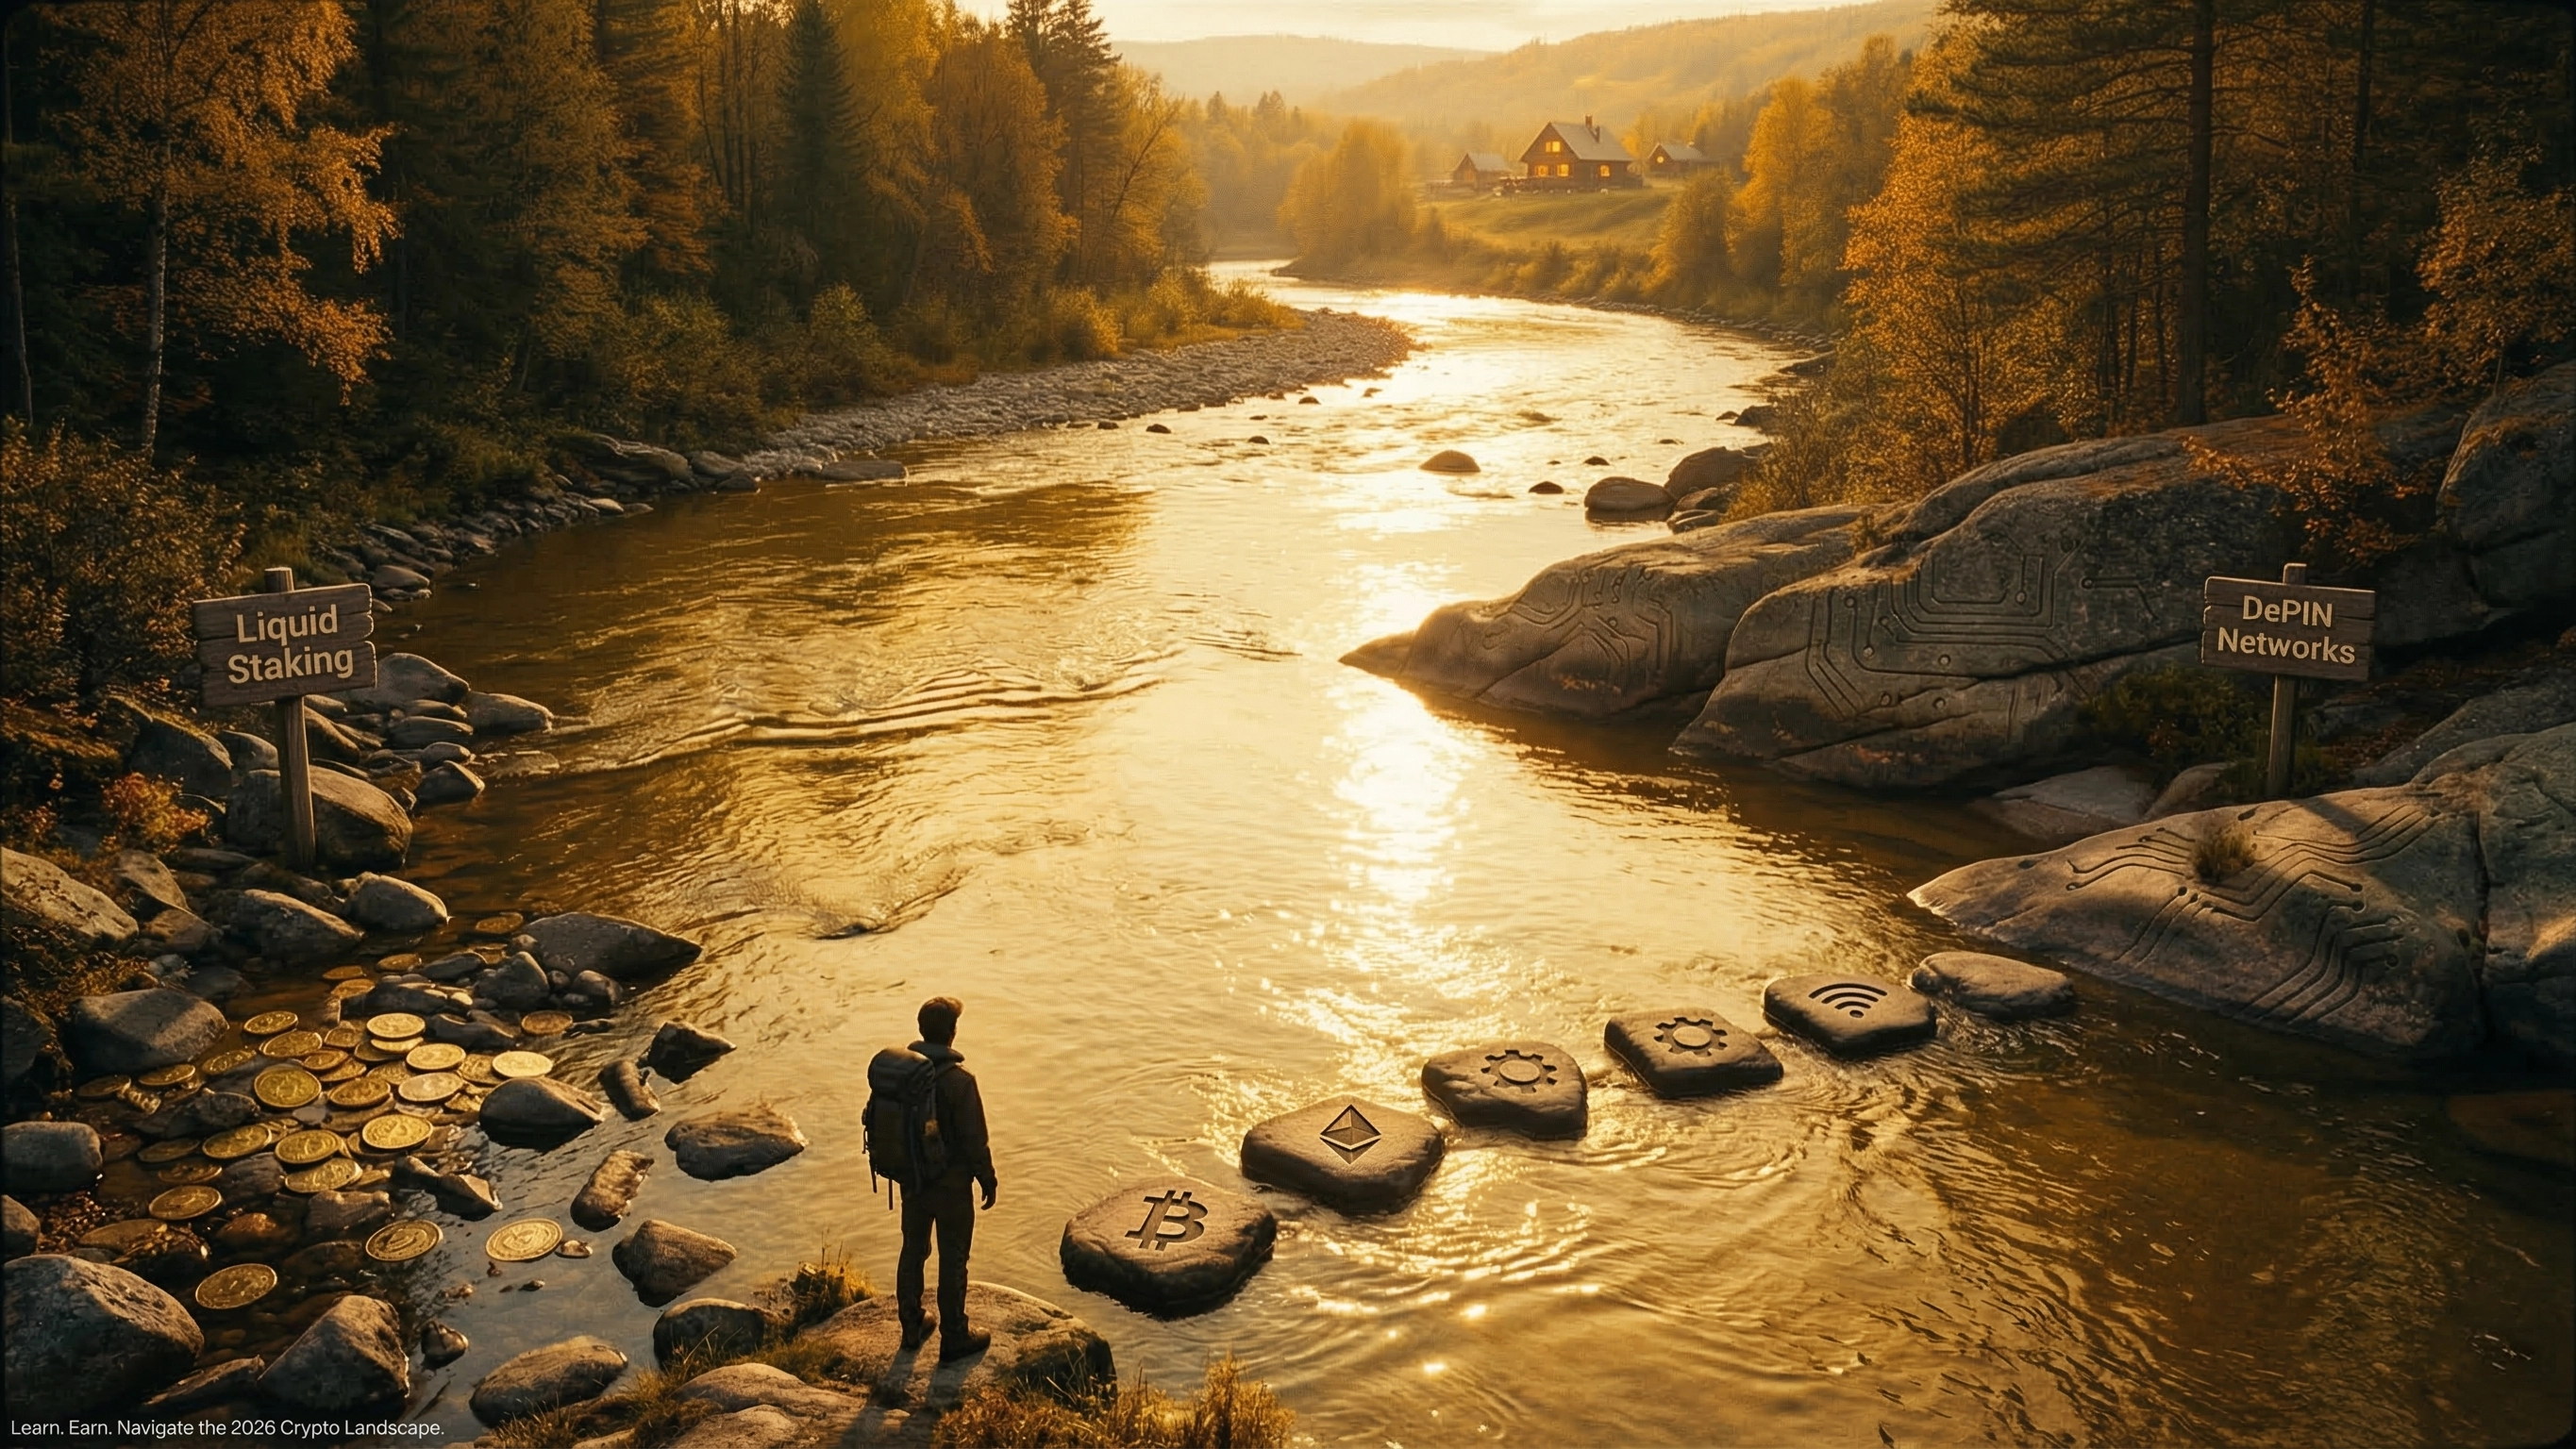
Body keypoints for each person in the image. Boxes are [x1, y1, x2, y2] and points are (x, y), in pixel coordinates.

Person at [895, 995, 997, 1359]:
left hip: (913, 1183)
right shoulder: (960, 1081)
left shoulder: (904, 1075)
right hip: (952, 1187)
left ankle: (911, 1326)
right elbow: (975, 1140)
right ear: (952, 1033)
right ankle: (955, 1336)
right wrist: (988, 1178)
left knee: (913, 1250)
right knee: (953, 1259)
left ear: (922, 1031)